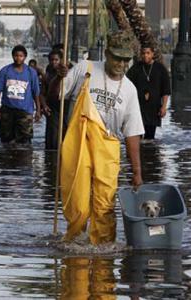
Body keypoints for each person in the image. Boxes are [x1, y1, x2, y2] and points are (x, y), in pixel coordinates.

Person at [49, 31, 145, 244]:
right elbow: (55, 96)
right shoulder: (86, 69)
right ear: (107, 53)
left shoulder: (129, 90)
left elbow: (132, 132)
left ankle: (103, 256)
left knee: (104, 208)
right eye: (117, 57)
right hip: (78, 146)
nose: (121, 63)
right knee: (79, 207)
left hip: (107, 152)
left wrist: (137, 172)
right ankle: (74, 250)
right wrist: (59, 77)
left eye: (125, 59)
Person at [0, 44, 41, 144]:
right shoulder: (5, 71)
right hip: (7, 110)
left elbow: (36, 92)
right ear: (12, 56)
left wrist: (38, 111)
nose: (18, 58)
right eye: (16, 55)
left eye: (21, 56)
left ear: (25, 57)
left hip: (25, 111)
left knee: (25, 139)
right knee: (6, 138)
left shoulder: (31, 73)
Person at [127, 46, 171, 140]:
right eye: (143, 53)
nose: (145, 55)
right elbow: (127, 85)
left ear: (152, 54)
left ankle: (150, 154)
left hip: (153, 109)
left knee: (150, 138)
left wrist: (163, 107)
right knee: (136, 135)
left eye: (148, 53)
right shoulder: (136, 67)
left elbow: (166, 90)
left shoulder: (160, 69)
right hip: (138, 108)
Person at [42, 49, 67, 150]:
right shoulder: (47, 74)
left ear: (60, 60)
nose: (54, 62)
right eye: (52, 60)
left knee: (65, 132)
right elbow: (42, 93)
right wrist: (44, 106)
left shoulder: (68, 73)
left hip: (65, 107)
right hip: (51, 108)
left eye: (56, 60)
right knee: (52, 135)